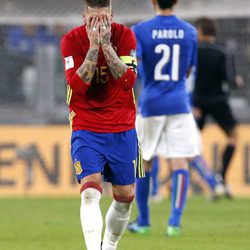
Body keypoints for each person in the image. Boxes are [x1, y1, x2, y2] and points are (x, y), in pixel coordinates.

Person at [60, 0, 144, 249]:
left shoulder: (124, 35)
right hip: (86, 125)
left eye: (103, 19)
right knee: (89, 191)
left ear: (112, 16)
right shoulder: (71, 40)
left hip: (122, 125)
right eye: (93, 19)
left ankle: (109, 246)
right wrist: (93, 49)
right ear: (83, 16)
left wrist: (106, 46)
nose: (98, 25)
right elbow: (77, 86)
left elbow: (128, 81)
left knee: (125, 197)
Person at [128, 0, 200, 237]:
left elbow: (134, 67)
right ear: (177, 2)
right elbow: (189, 70)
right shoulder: (189, 31)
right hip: (179, 103)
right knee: (179, 162)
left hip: (151, 103)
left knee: (144, 162)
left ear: (153, 2)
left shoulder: (140, 30)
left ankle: (145, 221)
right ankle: (174, 223)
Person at [193, 17, 244, 198]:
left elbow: (188, 77)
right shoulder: (223, 52)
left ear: (200, 31)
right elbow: (230, 80)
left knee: (189, 143)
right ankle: (221, 178)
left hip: (197, 102)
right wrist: (237, 82)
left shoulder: (194, 51)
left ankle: (210, 180)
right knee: (233, 137)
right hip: (218, 101)